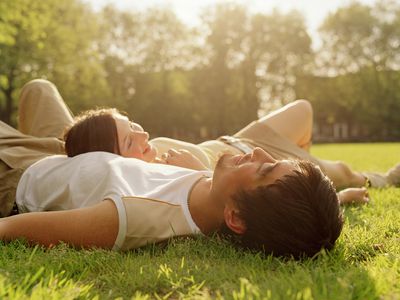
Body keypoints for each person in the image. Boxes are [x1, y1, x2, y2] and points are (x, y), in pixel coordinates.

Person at [1, 145, 343, 259]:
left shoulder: (134, 216)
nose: (257, 151)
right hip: (56, 151)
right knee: (39, 88)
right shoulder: (215, 193)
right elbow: (293, 216)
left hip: (16, 176)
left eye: (264, 168)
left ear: (235, 216)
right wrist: (341, 199)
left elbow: (12, 227)